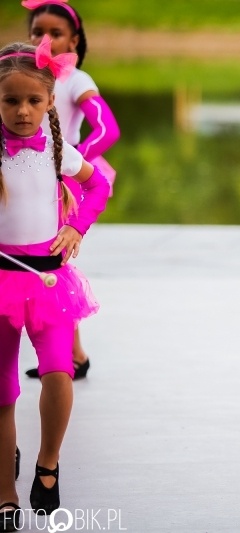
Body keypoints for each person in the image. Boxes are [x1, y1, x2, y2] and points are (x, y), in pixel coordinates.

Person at [0, 39, 110, 529]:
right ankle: (4, 493)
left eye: (33, 100)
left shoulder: (57, 152)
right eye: (10, 100)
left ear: (49, 101)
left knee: (59, 373)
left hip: (48, 282)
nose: (22, 111)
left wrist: (77, 227)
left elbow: (99, 184)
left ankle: (47, 463)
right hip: (1, 280)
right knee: (2, 391)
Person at [22, 0, 120, 381]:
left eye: (56, 33)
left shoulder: (76, 80)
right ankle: (72, 353)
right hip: (26, 176)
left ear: (74, 40)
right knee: (42, 263)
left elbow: (107, 130)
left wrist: (71, 162)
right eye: (37, 32)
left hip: (59, 183)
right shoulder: (24, 75)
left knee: (52, 263)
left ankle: (68, 354)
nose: (44, 40)